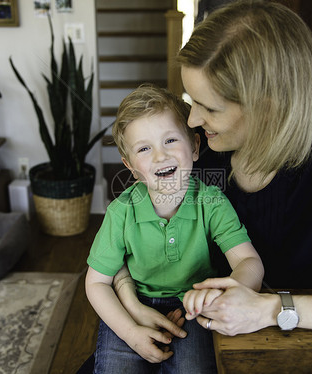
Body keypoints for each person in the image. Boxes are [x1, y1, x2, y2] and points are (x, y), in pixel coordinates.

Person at [112, 0, 312, 351]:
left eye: (209, 107)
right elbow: (120, 243)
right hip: (188, 331)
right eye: (192, 100)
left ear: (267, 106)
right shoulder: (190, 153)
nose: (191, 121)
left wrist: (273, 309)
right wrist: (133, 305)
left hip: (287, 347)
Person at [85, 84, 264, 373]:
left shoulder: (212, 202)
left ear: (194, 147)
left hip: (193, 305)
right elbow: (96, 283)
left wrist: (219, 294)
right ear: (131, 167)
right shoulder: (122, 212)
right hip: (132, 305)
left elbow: (249, 262)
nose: (160, 156)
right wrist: (130, 332)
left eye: (170, 140)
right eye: (144, 148)